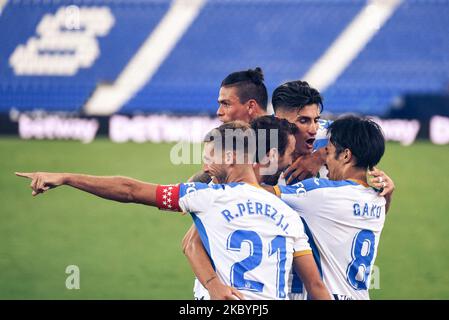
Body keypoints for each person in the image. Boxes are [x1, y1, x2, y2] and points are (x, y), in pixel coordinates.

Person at [16, 121, 331, 300]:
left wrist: (68, 177)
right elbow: (316, 286)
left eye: (211, 156)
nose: (205, 164)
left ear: (233, 156)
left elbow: (129, 190)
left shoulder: (206, 196)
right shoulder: (286, 213)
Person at [268, 116, 393, 300]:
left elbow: (260, 193)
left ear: (345, 155)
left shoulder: (322, 193)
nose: (325, 160)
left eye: (329, 151)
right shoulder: (379, 200)